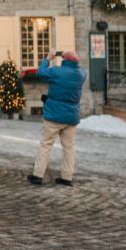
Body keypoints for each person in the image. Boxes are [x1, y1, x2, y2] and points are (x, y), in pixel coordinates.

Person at [26, 50, 86, 187]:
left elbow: (40, 72)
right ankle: (67, 177)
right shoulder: (81, 74)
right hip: (71, 116)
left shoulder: (57, 72)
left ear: (64, 59)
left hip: (54, 115)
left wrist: (48, 58)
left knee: (46, 144)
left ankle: (38, 175)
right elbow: (76, 68)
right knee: (69, 147)